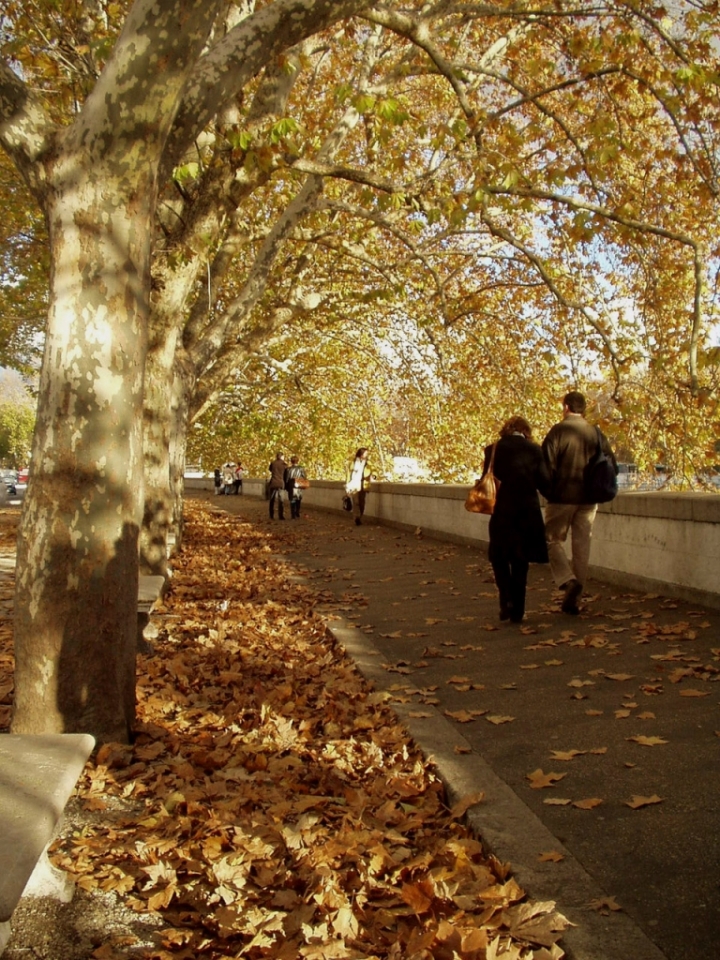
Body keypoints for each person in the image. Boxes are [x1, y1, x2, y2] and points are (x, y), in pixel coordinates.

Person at [542, 390, 618, 615]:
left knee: (551, 540)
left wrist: (549, 492)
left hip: (562, 498)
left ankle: (568, 580)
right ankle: (574, 598)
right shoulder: (595, 433)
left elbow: (546, 466)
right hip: (589, 499)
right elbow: (610, 462)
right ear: (583, 408)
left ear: (566, 407)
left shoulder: (558, 431)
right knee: (582, 546)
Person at [480, 416, 551, 624]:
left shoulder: (492, 450)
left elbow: (487, 479)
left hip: (501, 512)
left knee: (499, 557)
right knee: (521, 561)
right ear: (525, 431)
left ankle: (505, 598)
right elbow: (544, 484)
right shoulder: (535, 450)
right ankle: (518, 608)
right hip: (526, 513)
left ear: (506, 430)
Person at [345, 447, 371, 526]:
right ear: (361, 454)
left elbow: (373, 472)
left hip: (363, 484)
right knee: (356, 502)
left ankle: (359, 517)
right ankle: (356, 517)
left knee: (362, 502)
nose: (367, 454)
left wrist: (374, 477)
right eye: (366, 453)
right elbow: (348, 474)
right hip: (354, 484)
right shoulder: (352, 462)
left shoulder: (368, 463)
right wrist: (347, 484)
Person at [268, 452, 288, 520]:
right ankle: (281, 515)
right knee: (281, 500)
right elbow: (286, 474)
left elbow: (270, 470)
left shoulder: (273, 463)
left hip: (273, 482)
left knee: (272, 499)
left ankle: (271, 515)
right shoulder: (284, 464)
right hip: (280, 483)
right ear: (282, 456)